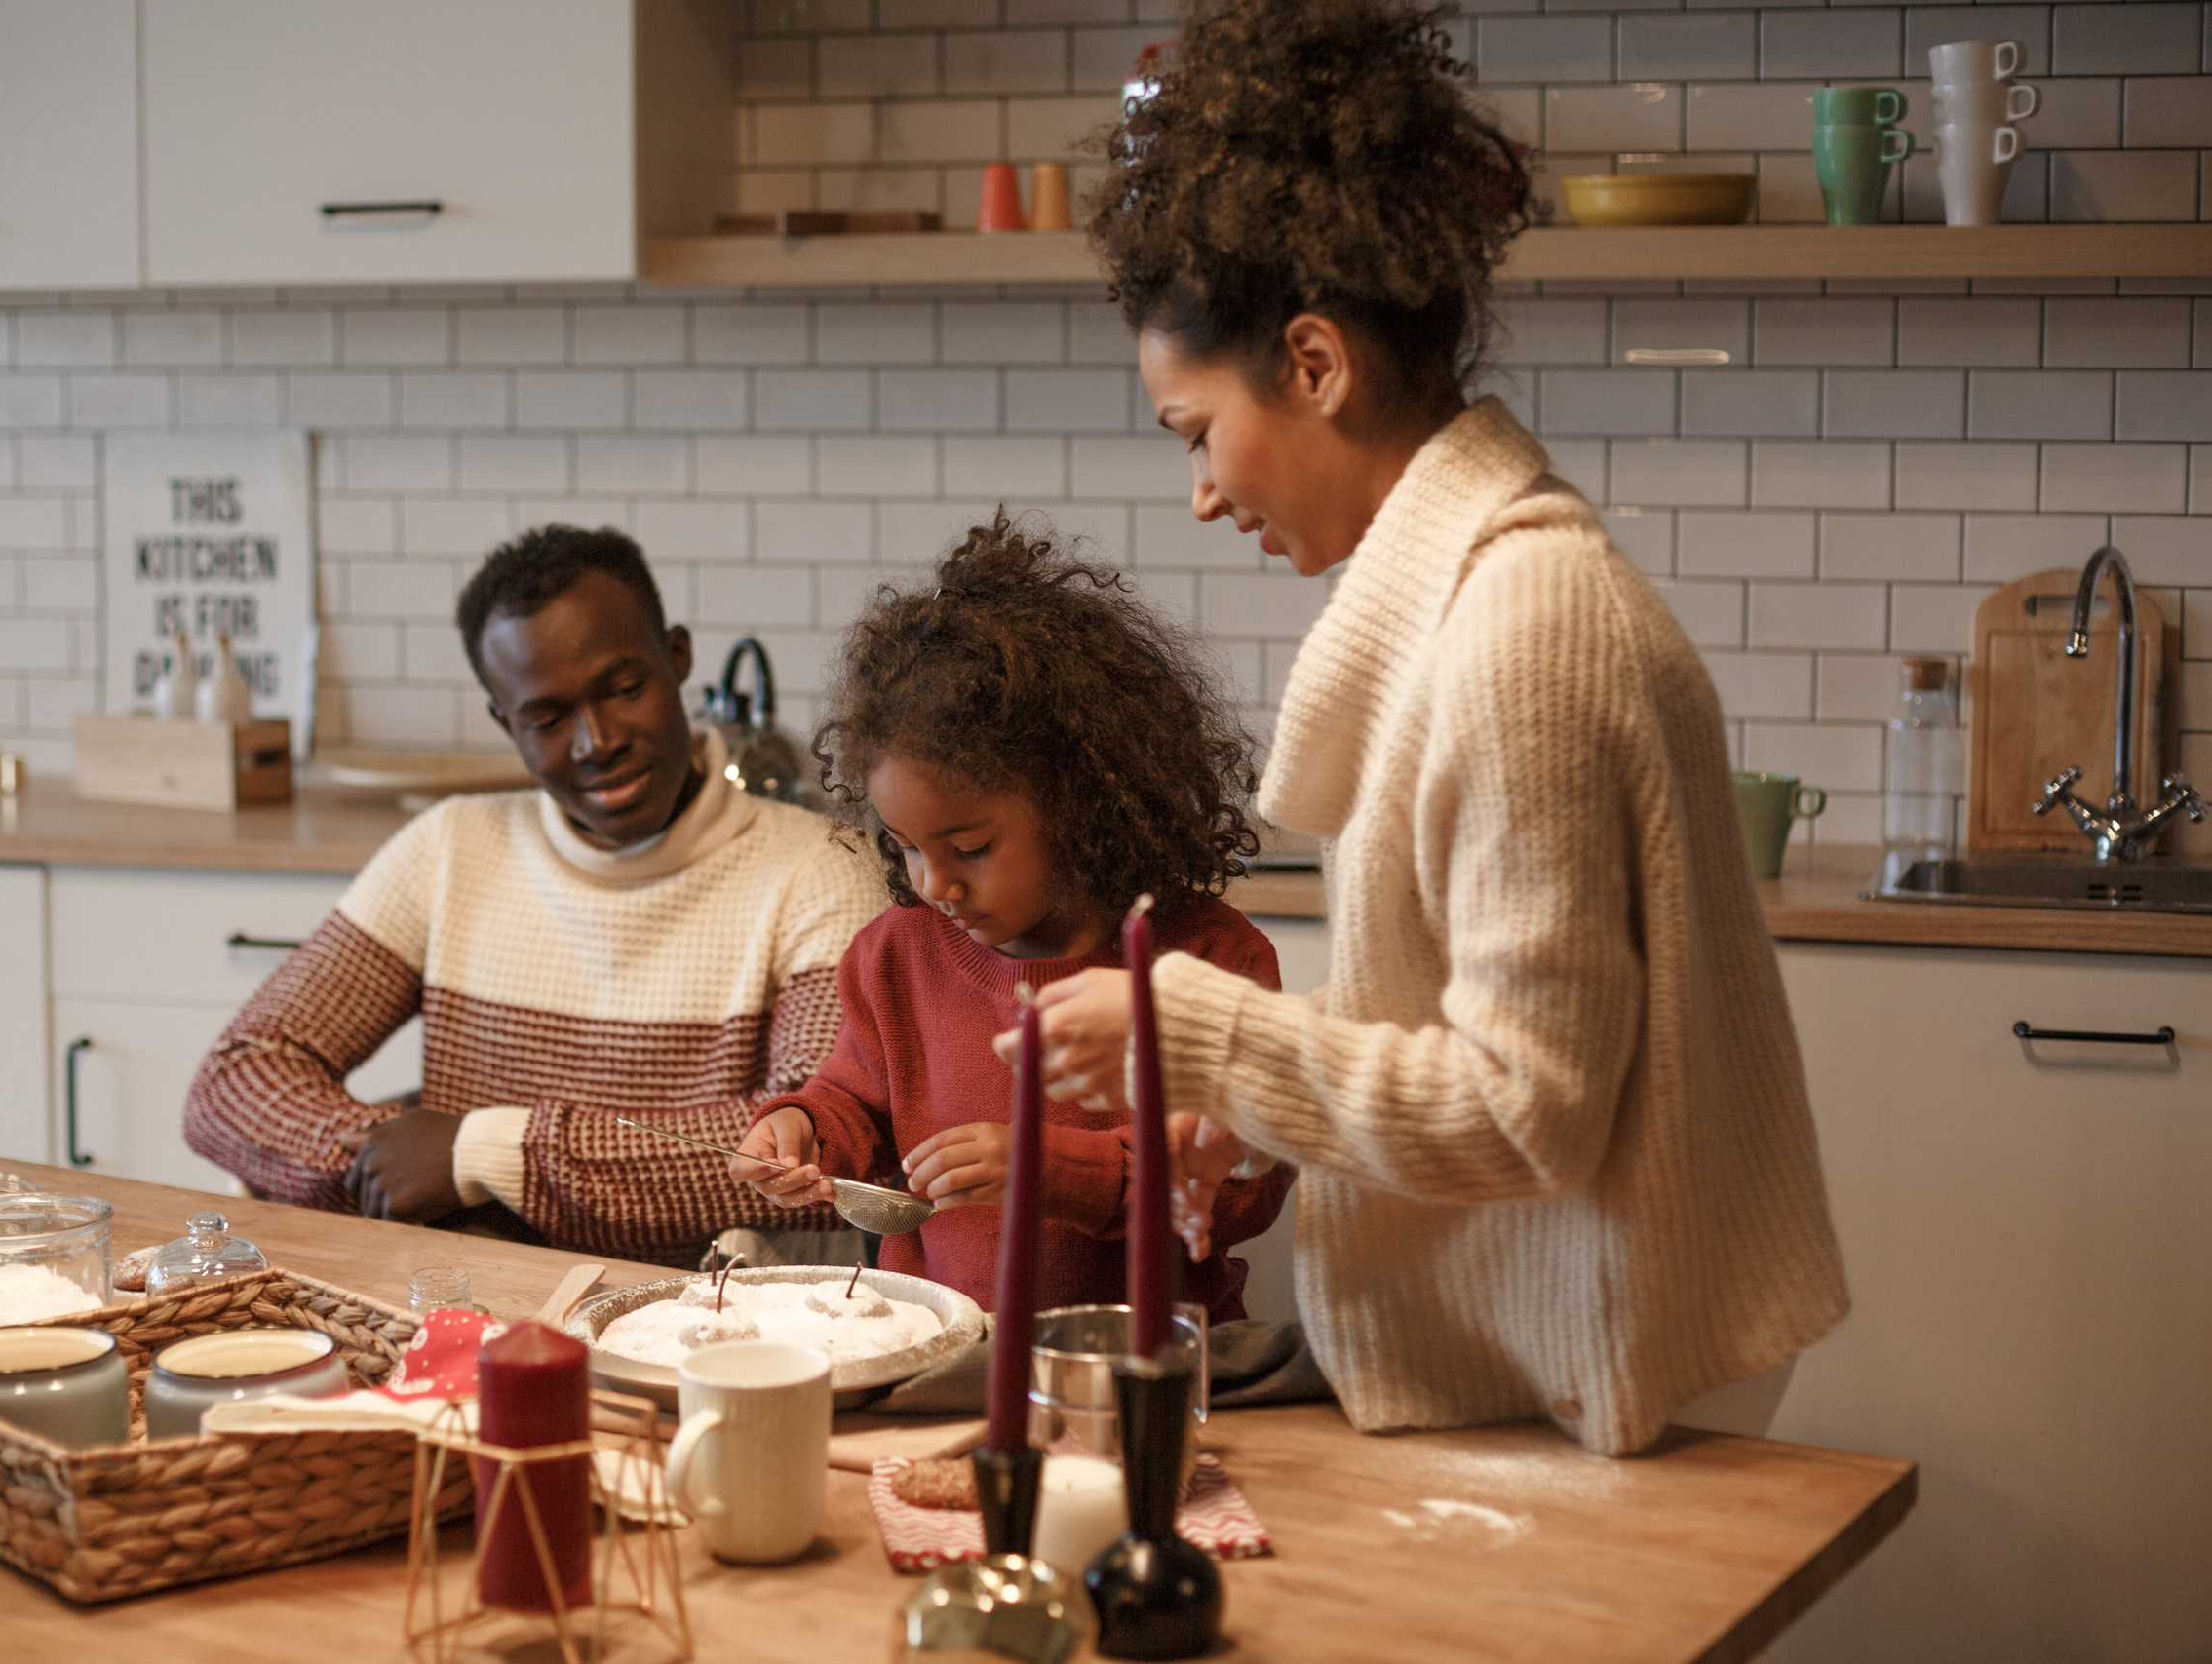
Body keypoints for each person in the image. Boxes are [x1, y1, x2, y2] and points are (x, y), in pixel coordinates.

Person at [1006, 0, 1849, 1456]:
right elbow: (1476, 1015)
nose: (1202, 491)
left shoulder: (1522, 631)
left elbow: (1531, 1111)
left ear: (1317, 364)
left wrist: (1212, 1038)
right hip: (1578, 1319)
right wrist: (1265, 1097)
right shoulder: (1488, 592)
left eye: (1196, 430)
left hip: (1621, 1338)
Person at [182, 525, 886, 1264]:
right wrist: (389, 1160)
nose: (596, 740)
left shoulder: (821, 868)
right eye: (546, 719)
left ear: (676, 656)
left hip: (705, 1330)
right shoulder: (449, 848)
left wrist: (481, 1158)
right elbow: (233, 1081)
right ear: (502, 719)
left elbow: (811, 1151)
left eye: (624, 688)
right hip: (473, 1306)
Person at [730, 515, 1294, 1320]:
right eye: (907, 847)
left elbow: (1246, 1189)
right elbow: (852, 1103)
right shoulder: (894, 958)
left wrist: (1051, 1170)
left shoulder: (1206, 960)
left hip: (1151, 1374)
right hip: (941, 1356)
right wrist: (801, 1129)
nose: (934, 884)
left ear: (1076, 801)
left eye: (970, 846)